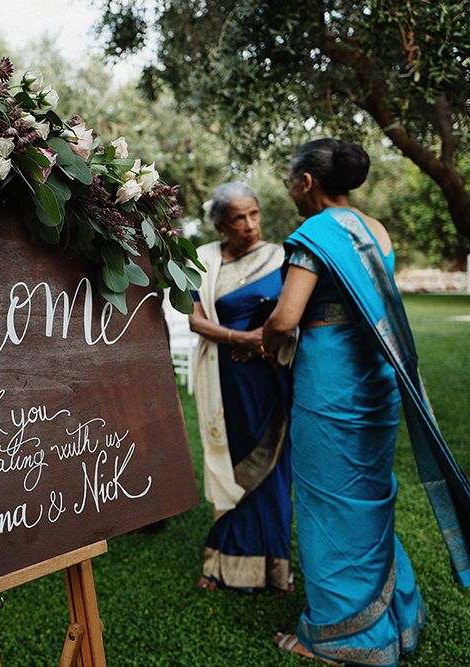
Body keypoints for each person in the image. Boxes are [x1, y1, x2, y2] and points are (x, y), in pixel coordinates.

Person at [263, 138, 470, 665]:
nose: (289, 190)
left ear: (306, 182)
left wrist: (265, 344)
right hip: (377, 380)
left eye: (288, 181)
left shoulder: (312, 235)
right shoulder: (377, 231)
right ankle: (397, 617)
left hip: (330, 388)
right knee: (371, 497)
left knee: (329, 506)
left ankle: (342, 637)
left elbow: (285, 319)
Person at [186, 182, 293, 594]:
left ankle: (274, 568)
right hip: (225, 378)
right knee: (227, 468)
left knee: (270, 469)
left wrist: (266, 344)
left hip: (269, 379)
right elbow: (195, 320)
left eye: (254, 214)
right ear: (220, 225)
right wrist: (242, 339)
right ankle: (220, 560)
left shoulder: (280, 259)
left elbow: (291, 317)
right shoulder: (204, 260)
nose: (250, 226)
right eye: (238, 219)